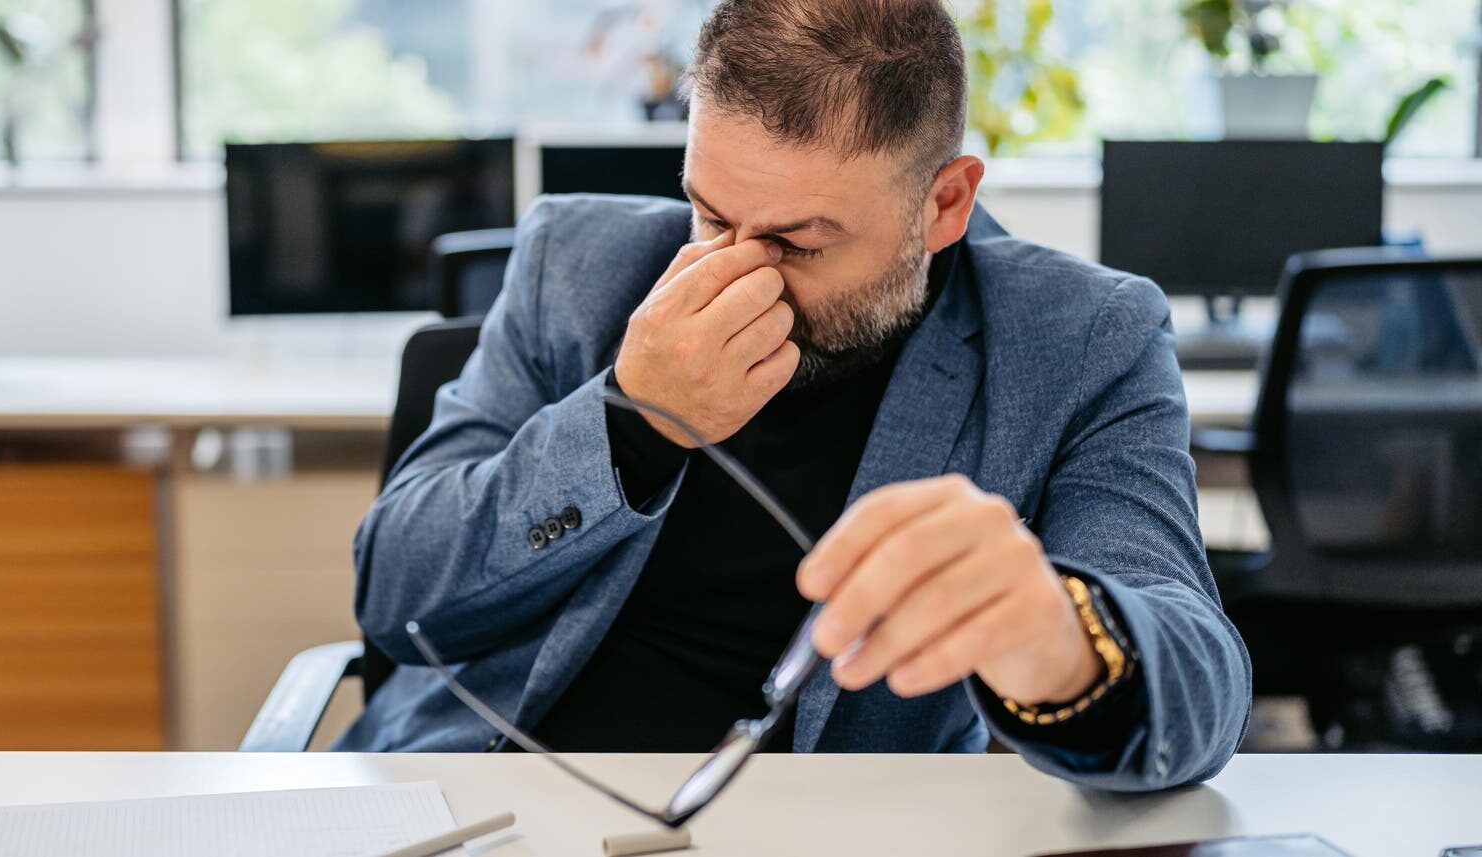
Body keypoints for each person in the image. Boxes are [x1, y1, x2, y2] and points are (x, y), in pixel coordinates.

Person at [336, 0, 1251, 792]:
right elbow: (396, 595)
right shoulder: (575, 266)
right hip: (511, 794)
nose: (738, 273)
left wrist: (1060, 636)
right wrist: (631, 420)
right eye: (711, 215)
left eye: (801, 244)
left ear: (944, 205)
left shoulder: (1081, 338)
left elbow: (1200, 688)